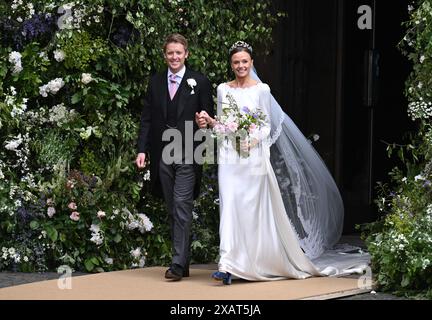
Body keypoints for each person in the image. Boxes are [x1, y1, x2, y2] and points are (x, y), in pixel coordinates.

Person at [197, 41, 369, 285]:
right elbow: (225, 124)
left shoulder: (262, 90)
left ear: (252, 63)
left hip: (253, 156)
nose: (240, 66)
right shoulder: (223, 89)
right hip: (230, 157)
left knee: (251, 210)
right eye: (236, 62)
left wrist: (252, 141)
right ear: (231, 65)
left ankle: (253, 261)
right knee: (229, 207)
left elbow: (266, 125)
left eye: (244, 61)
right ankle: (227, 264)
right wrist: (213, 123)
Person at [136, 33, 214, 281]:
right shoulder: (156, 82)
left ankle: (177, 265)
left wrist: (204, 122)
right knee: (173, 208)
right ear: (165, 54)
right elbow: (147, 119)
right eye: (170, 52)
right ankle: (183, 260)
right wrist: (141, 149)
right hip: (163, 154)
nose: (174, 57)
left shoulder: (199, 82)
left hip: (189, 153)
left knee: (182, 205)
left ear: (186, 54)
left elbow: (208, 120)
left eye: (178, 52)